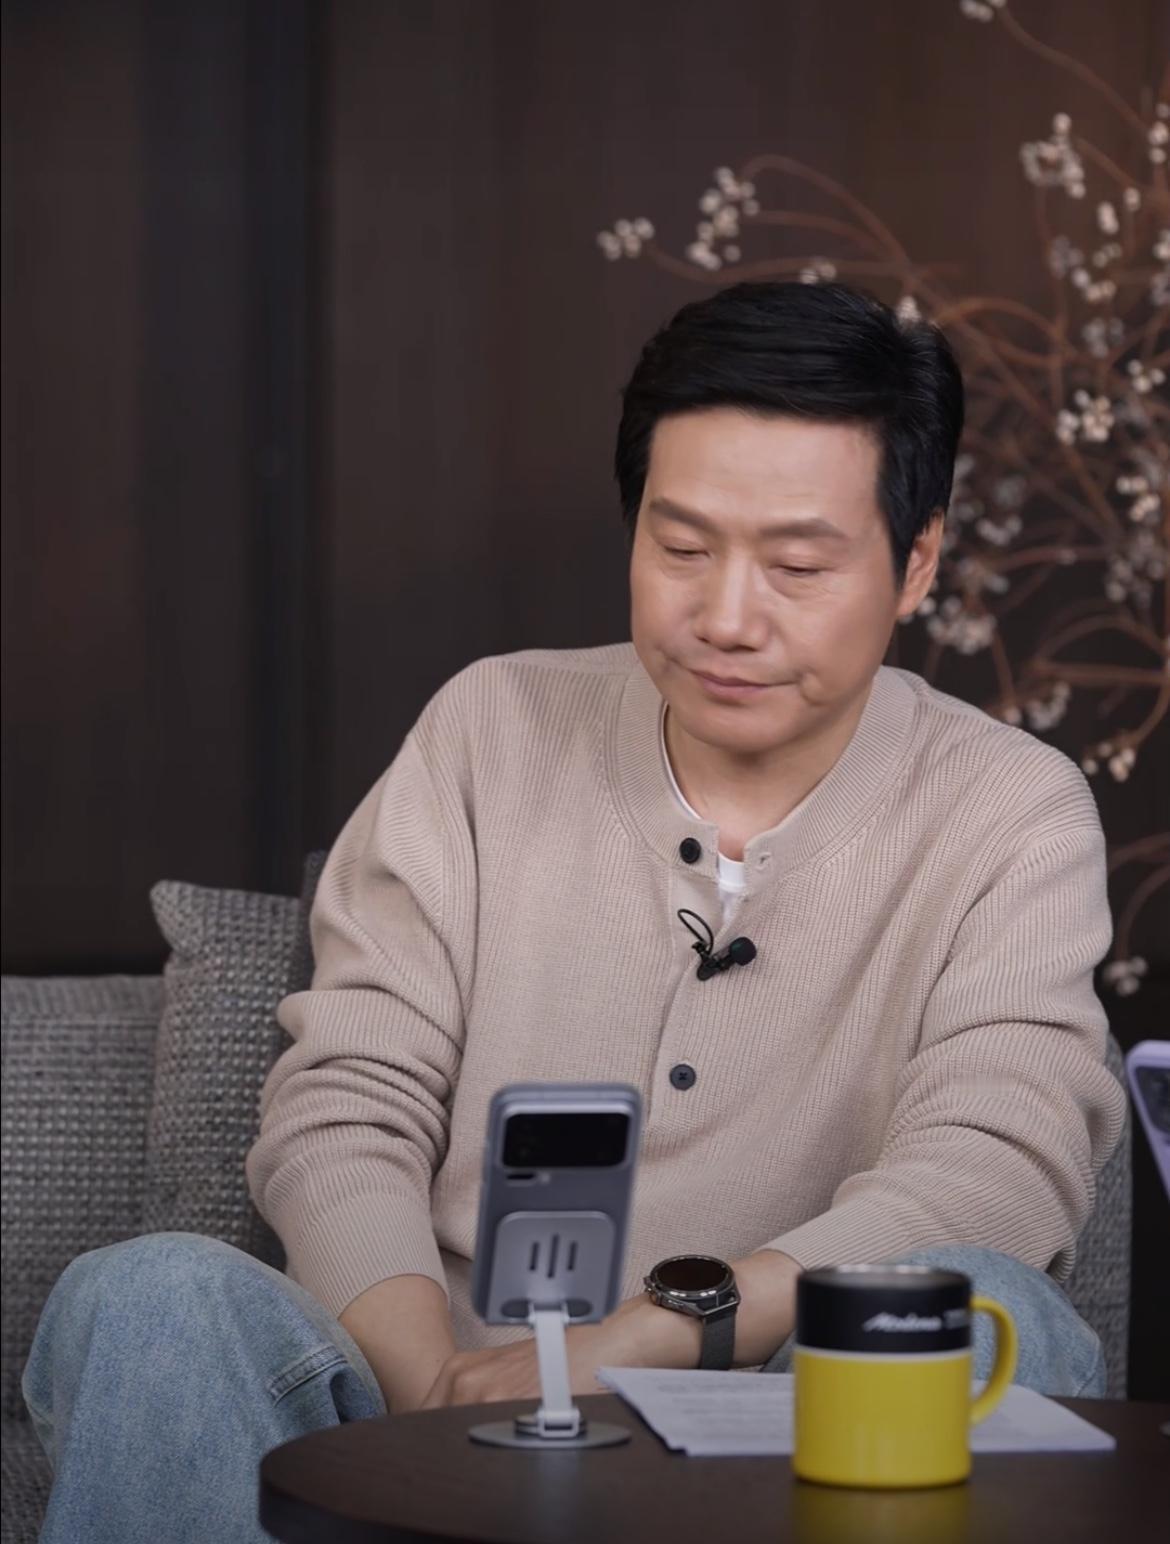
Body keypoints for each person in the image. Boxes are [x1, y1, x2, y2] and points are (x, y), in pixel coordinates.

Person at [24, 281, 1123, 1542]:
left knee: (987, 1307)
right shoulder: (488, 730)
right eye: (681, 547)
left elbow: (994, 1169)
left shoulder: (1011, 809)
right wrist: (436, 1392)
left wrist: (657, 1332)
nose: (725, 618)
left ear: (915, 561)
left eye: (797, 566)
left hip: (794, 1422)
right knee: (149, 1291)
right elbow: (346, 1106)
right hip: (418, 1412)